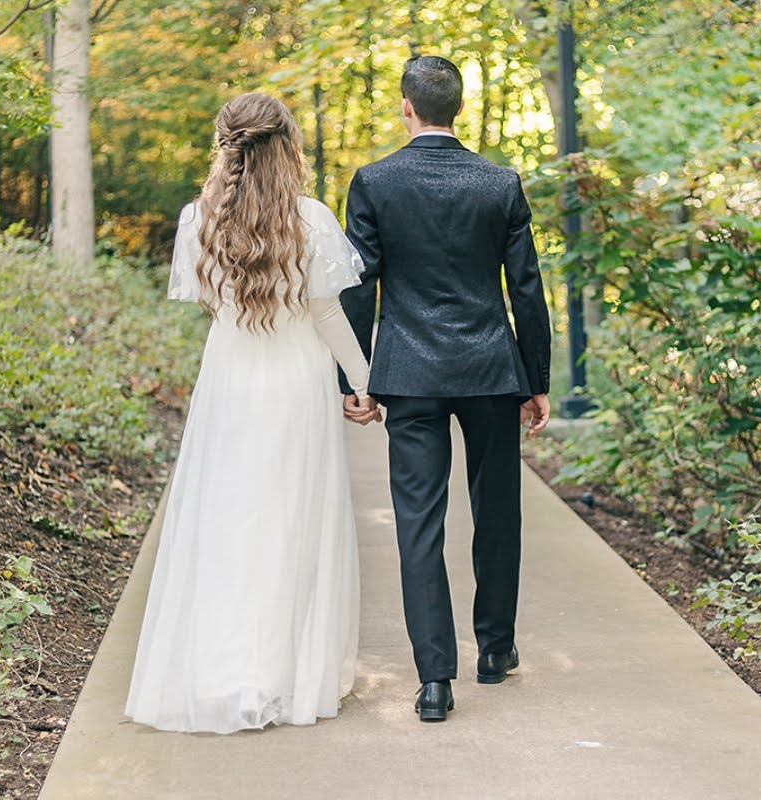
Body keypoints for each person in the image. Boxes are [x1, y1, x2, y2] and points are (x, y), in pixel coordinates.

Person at [125, 93, 380, 734]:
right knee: (294, 523)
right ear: (288, 147)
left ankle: (228, 668)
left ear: (226, 147)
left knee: (230, 520)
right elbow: (326, 314)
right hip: (295, 384)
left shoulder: (197, 221)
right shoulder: (312, 219)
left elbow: (209, 304)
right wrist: (365, 383)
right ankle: (285, 670)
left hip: (231, 380)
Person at [339, 55, 553, 722]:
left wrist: (354, 376)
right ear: (457, 107)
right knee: (496, 513)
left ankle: (435, 680)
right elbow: (526, 287)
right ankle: (495, 650)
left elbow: (356, 285)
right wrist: (536, 377)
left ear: (408, 106)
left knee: (418, 524)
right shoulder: (499, 182)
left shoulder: (374, 182)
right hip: (490, 369)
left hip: (409, 373)